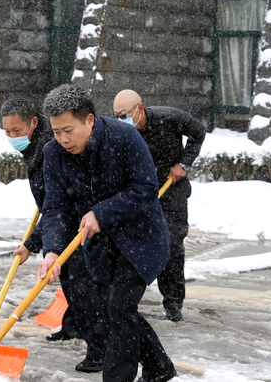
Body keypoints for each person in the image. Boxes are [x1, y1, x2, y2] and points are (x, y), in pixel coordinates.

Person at [38, 84, 177, 382]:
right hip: (99, 246)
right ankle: (159, 367)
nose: (62, 139)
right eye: (56, 131)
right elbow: (55, 207)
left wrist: (102, 213)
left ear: (89, 119)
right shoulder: (54, 153)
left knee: (119, 307)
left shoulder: (124, 137)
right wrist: (52, 250)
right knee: (116, 309)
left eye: (68, 130)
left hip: (141, 238)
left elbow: (145, 188)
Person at [0, 97, 108, 373]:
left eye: (17, 130)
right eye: (7, 132)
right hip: (66, 219)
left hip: (82, 221)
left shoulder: (52, 147)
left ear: (34, 123)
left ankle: (100, 350)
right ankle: (73, 326)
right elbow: (49, 203)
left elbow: (58, 207)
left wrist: (32, 244)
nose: (13, 137)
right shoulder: (37, 147)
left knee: (83, 287)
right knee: (71, 282)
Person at [113, 89, 206, 322]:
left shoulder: (170, 117)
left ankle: (173, 304)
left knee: (171, 244)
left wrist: (183, 164)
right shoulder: (121, 133)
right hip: (141, 192)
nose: (120, 120)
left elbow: (198, 132)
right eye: (116, 115)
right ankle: (126, 300)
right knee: (133, 244)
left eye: (124, 114)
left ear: (140, 109)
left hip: (171, 189)